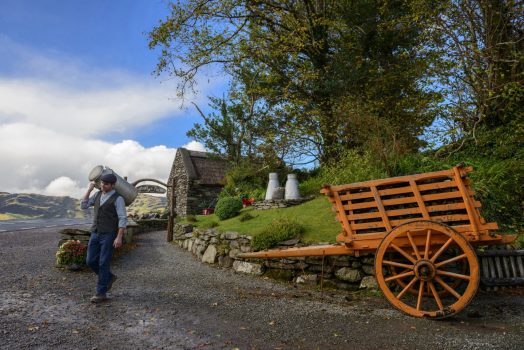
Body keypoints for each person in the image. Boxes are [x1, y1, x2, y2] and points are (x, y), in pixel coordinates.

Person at [81, 173, 127, 303]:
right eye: (101, 183)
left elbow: (123, 218)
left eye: (106, 184)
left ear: (112, 185)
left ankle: (101, 293)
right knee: (90, 261)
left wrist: (119, 237)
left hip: (109, 234)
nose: (102, 185)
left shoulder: (118, 199)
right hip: (95, 232)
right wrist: (89, 190)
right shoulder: (97, 194)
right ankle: (109, 277)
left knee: (103, 262)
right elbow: (83, 206)